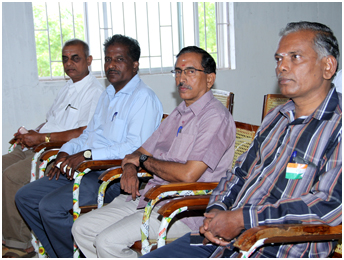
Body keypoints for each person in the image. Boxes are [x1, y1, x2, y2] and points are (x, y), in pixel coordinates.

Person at [141, 21, 342, 258]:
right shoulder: (276, 118)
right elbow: (238, 174)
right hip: (222, 238)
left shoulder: (336, 127)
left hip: (272, 247)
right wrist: (216, 211)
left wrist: (242, 219)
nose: (282, 67)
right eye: (279, 59)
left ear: (328, 66)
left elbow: (329, 206)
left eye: (295, 57)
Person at [72, 46, 237, 258]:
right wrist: (131, 167)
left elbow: (188, 175)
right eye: (178, 71)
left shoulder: (215, 118)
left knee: (107, 242)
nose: (181, 79)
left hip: (182, 208)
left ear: (210, 79)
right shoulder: (179, 112)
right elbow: (137, 152)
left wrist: (142, 160)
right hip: (151, 196)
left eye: (190, 71)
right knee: (81, 229)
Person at [15, 34, 163, 258]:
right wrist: (66, 151)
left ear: (135, 65)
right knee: (25, 197)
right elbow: (90, 134)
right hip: (88, 168)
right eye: (108, 59)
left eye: (119, 59)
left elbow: (134, 148)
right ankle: (60, 254)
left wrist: (86, 155)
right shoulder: (108, 94)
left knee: (50, 208)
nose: (111, 65)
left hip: (114, 176)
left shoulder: (143, 99)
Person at [2, 38, 104, 258]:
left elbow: (82, 132)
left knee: (10, 176)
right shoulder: (67, 88)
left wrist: (42, 138)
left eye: (75, 58)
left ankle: (20, 245)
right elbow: (53, 121)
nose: (70, 64)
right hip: (41, 143)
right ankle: (8, 234)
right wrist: (30, 133)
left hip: (56, 151)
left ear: (89, 60)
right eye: (65, 59)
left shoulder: (94, 91)